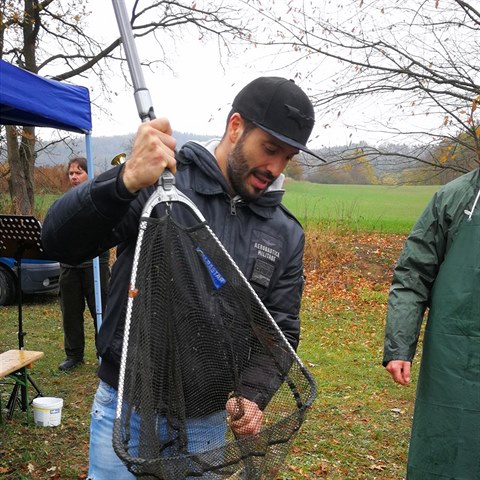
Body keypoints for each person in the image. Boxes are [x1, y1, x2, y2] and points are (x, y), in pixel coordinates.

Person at [42, 76, 322, 479]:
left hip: (205, 426)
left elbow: (278, 331)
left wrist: (252, 395)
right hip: (124, 410)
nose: (275, 168)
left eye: (287, 157)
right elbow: (58, 241)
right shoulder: (162, 179)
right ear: (236, 126)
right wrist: (121, 183)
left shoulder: (284, 233)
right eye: (270, 149)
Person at [383, 169, 480, 479]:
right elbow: (413, 275)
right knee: (448, 449)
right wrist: (400, 345)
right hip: (455, 360)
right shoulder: (453, 199)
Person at [57, 157, 110, 370]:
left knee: (102, 312)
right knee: (70, 313)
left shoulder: (98, 198)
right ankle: (74, 355)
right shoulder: (65, 200)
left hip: (94, 264)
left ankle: (105, 355)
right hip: (70, 266)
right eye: (71, 173)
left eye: (78, 172)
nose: (74, 177)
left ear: (88, 174)